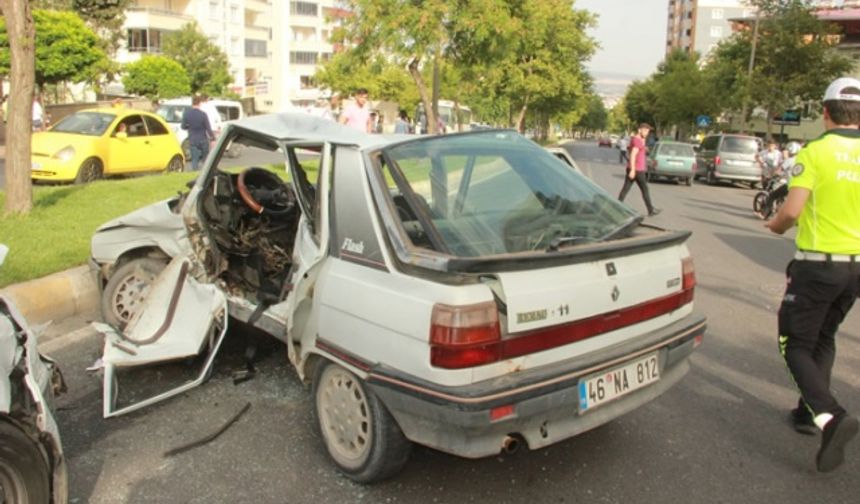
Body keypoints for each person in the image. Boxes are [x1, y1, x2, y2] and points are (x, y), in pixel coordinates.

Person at [766, 77, 860, 473]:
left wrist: (774, 225)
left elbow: (792, 211)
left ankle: (830, 416)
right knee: (823, 336)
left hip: (818, 265)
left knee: (794, 342)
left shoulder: (816, 152)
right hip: (856, 267)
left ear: (825, 112)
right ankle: (807, 412)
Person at [618, 123, 660, 216]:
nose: (647, 133)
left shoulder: (637, 139)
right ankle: (651, 210)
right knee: (645, 189)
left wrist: (644, 147)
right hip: (637, 170)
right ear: (639, 130)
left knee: (625, 189)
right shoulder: (638, 140)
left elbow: (637, 150)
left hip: (633, 168)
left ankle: (617, 206)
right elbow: (633, 155)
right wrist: (633, 170)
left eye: (648, 131)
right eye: (645, 130)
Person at [181, 95, 215, 171]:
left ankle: (195, 171)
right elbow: (208, 128)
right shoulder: (203, 114)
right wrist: (213, 138)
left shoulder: (186, 114)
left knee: (194, 159)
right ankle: (205, 173)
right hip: (203, 139)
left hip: (192, 139)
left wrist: (189, 127)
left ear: (192, 103)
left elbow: (183, 127)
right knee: (205, 158)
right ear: (199, 103)